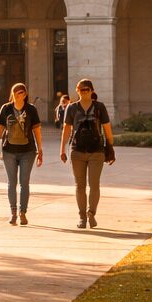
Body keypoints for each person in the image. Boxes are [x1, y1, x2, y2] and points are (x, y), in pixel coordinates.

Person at [59, 78, 116, 229]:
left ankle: (92, 213)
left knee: (94, 184)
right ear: (77, 91)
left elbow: (107, 128)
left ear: (91, 91)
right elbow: (66, 130)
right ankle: (82, 217)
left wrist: (110, 147)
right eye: (81, 90)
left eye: (87, 89)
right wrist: (62, 149)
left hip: (96, 150)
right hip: (77, 150)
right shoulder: (71, 108)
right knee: (80, 186)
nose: (84, 92)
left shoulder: (99, 107)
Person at [0, 82, 43, 226]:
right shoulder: (6, 108)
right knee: (11, 183)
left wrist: (40, 150)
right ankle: (13, 212)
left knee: (24, 183)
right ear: (12, 94)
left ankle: (23, 212)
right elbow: (0, 129)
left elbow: (37, 131)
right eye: (15, 92)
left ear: (25, 95)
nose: (17, 95)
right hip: (9, 151)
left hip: (28, 151)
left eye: (21, 92)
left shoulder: (31, 109)